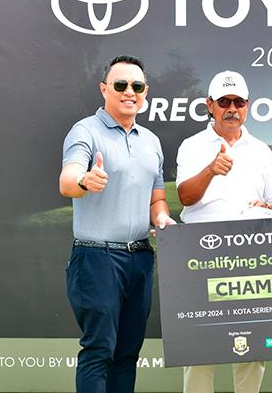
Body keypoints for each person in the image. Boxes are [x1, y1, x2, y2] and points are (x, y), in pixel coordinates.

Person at [59, 55, 176, 393]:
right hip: (97, 259)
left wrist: (162, 218)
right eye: (120, 85)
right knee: (99, 351)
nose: (129, 92)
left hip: (140, 258)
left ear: (145, 92)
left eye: (137, 86)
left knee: (127, 354)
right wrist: (85, 180)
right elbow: (67, 180)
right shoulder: (85, 131)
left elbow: (156, 200)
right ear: (104, 89)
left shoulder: (151, 142)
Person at [175, 70, 272, 393]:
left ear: (248, 105)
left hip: (251, 259)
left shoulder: (261, 150)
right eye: (224, 101)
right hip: (201, 256)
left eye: (238, 101)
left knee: (252, 348)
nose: (232, 108)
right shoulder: (192, 145)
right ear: (209, 105)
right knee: (199, 348)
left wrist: (270, 205)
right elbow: (185, 197)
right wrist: (211, 170)